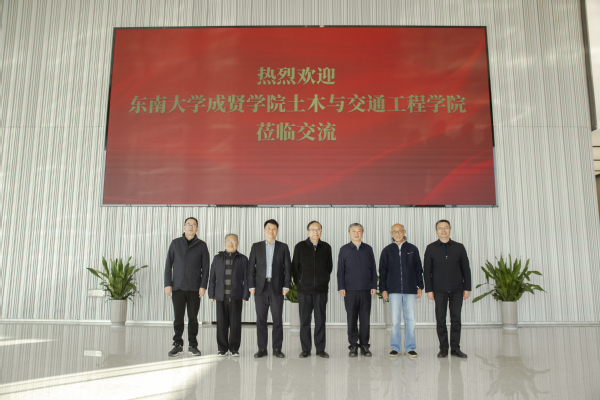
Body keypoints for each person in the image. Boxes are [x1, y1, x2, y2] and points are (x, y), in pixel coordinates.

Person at [424, 220, 471, 359]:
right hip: (439, 290)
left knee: (456, 319)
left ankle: (455, 348)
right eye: (440, 228)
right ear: (436, 231)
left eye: (446, 228)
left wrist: (467, 288)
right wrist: (429, 290)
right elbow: (427, 271)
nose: (443, 231)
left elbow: (466, 269)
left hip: (457, 289)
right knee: (440, 319)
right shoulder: (431, 248)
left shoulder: (459, 247)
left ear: (450, 230)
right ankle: (443, 348)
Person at [164, 217, 210, 357]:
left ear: (197, 228)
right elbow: (168, 265)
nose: (191, 227)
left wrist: (203, 286)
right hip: (177, 287)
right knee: (178, 318)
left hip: (194, 288)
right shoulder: (175, 243)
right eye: (188, 224)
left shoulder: (202, 245)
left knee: (193, 318)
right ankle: (177, 344)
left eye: (194, 225)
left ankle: (193, 345)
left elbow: (206, 268)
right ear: (184, 227)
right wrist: (168, 284)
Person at [248, 219, 292, 358]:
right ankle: (262, 348)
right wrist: (251, 285)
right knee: (261, 319)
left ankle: (277, 348)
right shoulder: (256, 246)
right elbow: (251, 267)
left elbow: (288, 268)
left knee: (277, 318)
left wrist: (286, 285)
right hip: (260, 288)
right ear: (264, 230)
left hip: (277, 287)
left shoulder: (283, 247)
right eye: (269, 228)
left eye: (274, 229)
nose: (271, 231)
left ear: (277, 231)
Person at [379, 223, 424, 358]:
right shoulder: (387, 250)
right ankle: (395, 347)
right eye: (395, 231)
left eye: (400, 231)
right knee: (395, 320)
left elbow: (418, 269)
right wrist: (383, 289)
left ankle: (410, 347)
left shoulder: (412, 249)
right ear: (391, 233)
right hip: (394, 290)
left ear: (404, 232)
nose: (397, 234)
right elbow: (383, 271)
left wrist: (419, 286)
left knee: (410, 319)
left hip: (410, 289)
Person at [292, 221, 333, 359]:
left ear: (321, 231)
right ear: (308, 231)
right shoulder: (300, 247)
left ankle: (320, 349)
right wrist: (301, 282)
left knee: (320, 320)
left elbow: (329, 267)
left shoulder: (326, 247)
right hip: (304, 291)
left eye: (318, 229)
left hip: (321, 291)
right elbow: (295, 268)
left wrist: (323, 281)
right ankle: (305, 349)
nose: (316, 232)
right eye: (313, 229)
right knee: (305, 321)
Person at [337, 223, 378, 357]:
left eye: (359, 231)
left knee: (365, 318)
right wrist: (341, 287)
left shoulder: (368, 249)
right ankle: (353, 345)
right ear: (349, 233)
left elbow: (373, 268)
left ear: (362, 233)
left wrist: (374, 286)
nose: (356, 233)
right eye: (353, 231)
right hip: (350, 290)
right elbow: (340, 270)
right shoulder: (344, 249)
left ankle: (365, 345)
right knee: (352, 318)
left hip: (366, 289)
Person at [208, 234, 250, 357]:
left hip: (236, 296)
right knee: (221, 323)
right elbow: (212, 278)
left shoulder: (243, 259)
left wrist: (245, 295)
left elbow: (247, 278)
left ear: (238, 244)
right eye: (228, 241)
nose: (231, 243)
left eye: (234, 241)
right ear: (224, 243)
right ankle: (222, 348)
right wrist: (211, 294)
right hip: (220, 296)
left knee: (235, 323)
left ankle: (234, 349)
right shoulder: (217, 258)